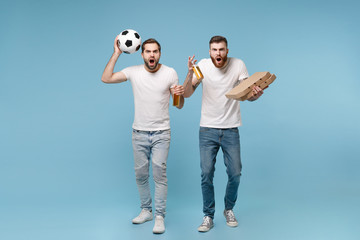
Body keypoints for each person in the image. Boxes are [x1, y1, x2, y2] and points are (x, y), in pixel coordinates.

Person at [101, 37, 185, 234]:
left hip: (161, 133)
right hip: (138, 132)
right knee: (140, 175)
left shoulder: (170, 72)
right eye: (148, 51)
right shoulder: (133, 72)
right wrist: (117, 53)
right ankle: (146, 210)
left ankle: (159, 216)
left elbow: (179, 105)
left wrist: (178, 94)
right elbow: (106, 78)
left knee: (159, 174)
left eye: (155, 51)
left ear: (160, 53)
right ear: (142, 54)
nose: (152, 55)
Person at [183, 36, 263, 232]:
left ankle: (228, 208)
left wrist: (256, 94)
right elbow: (186, 93)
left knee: (235, 173)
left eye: (221, 49)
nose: (218, 53)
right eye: (214, 50)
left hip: (230, 129)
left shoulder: (238, 65)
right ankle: (208, 216)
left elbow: (246, 95)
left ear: (227, 50)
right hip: (207, 129)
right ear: (209, 51)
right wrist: (188, 73)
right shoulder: (201, 65)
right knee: (206, 174)